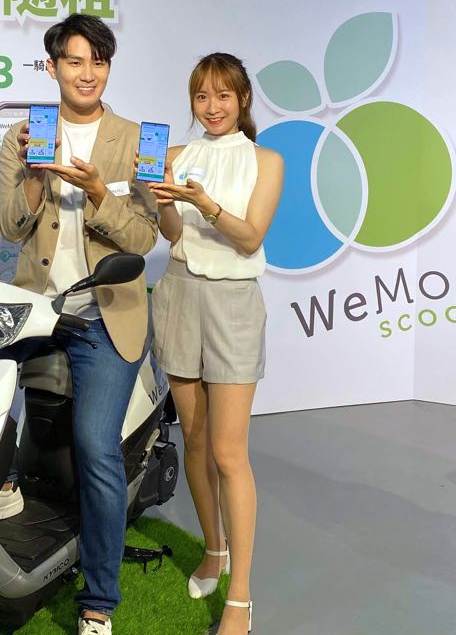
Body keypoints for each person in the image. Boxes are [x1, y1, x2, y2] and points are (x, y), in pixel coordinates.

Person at [0, 13, 159, 635]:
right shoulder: (23, 135)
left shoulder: (136, 140)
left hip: (104, 314)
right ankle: (3, 483)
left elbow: (143, 239)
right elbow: (8, 226)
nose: (87, 73)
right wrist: (35, 182)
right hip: (36, 307)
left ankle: (98, 602)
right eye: (74, 61)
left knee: (95, 446)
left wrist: (97, 193)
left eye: (98, 61)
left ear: (108, 67)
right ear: (52, 67)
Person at [145, 53, 283, 635]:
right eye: (202, 96)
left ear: (243, 99)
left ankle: (240, 597)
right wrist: (166, 206)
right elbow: (173, 235)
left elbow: (250, 239)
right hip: (178, 294)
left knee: (229, 453)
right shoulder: (175, 155)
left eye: (223, 95)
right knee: (196, 443)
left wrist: (208, 205)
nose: (212, 106)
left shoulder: (266, 160)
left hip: (233, 303)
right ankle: (213, 549)